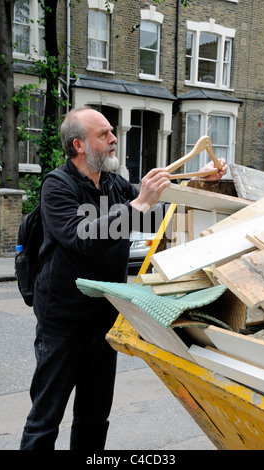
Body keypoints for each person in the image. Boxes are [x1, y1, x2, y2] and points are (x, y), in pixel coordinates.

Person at [20, 107, 227, 450]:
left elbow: (153, 219)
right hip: (63, 323)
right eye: (103, 134)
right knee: (45, 419)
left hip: (106, 319)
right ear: (79, 145)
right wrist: (139, 203)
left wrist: (195, 182)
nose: (114, 139)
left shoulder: (115, 184)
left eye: (111, 131)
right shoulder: (57, 186)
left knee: (94, 417)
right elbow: (82, 238)